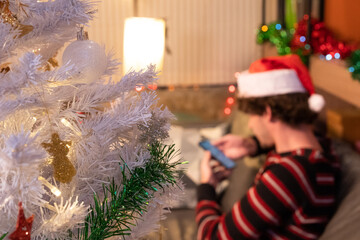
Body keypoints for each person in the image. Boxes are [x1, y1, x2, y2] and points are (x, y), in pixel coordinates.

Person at [196, 55, 340, 239]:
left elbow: (212, 237)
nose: (250, 126)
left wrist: (207, 186)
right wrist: (252, 144)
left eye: (252, 116)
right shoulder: (321, 148)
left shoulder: (289, 174)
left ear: (268, 112)